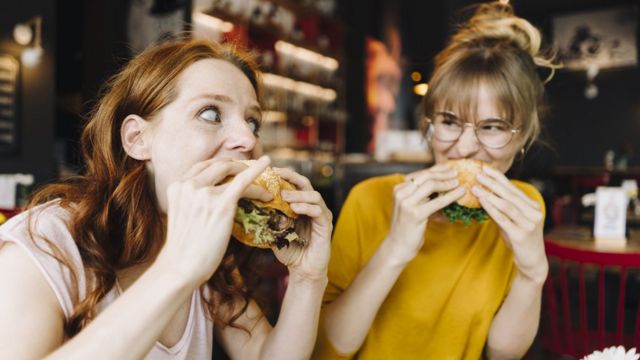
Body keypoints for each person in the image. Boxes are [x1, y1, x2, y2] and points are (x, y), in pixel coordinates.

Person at [0, 38, 332, 359]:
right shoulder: (41, 247)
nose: (247, 139)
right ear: (137, 139)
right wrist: (177, 269)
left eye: (252, 121)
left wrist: (307, 278)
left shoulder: (210, 254)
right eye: (211, 114)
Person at [314, 2, 558, 359]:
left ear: (523, 138)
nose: (466, 146)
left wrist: (532, 273)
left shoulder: (524, 209)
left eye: (491, 127)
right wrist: (395, 250)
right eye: (449, 121)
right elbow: (325, 349)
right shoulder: (371, 198)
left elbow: (502, 353)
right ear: (428, 125)